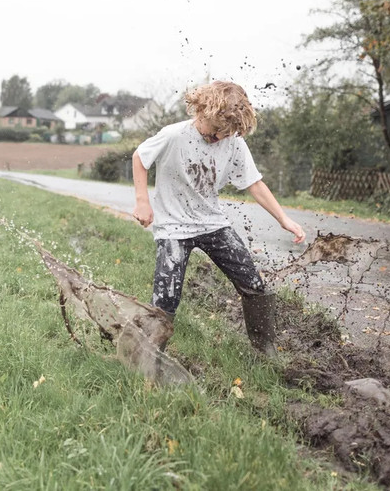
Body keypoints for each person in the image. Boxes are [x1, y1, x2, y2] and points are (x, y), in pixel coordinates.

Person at [131, 80, 305, 357]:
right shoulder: (174, 135)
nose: (219, 139)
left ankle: (265, 351)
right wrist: (143, 201)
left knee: (254, 284)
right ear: (200, 111)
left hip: (212, 223)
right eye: (214, 133)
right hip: (173, 228)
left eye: (226, 135)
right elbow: (140, 157)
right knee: (167, 297)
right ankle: (150, 355)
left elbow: (255, 184)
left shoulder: (233, 141)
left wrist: (283, 219)